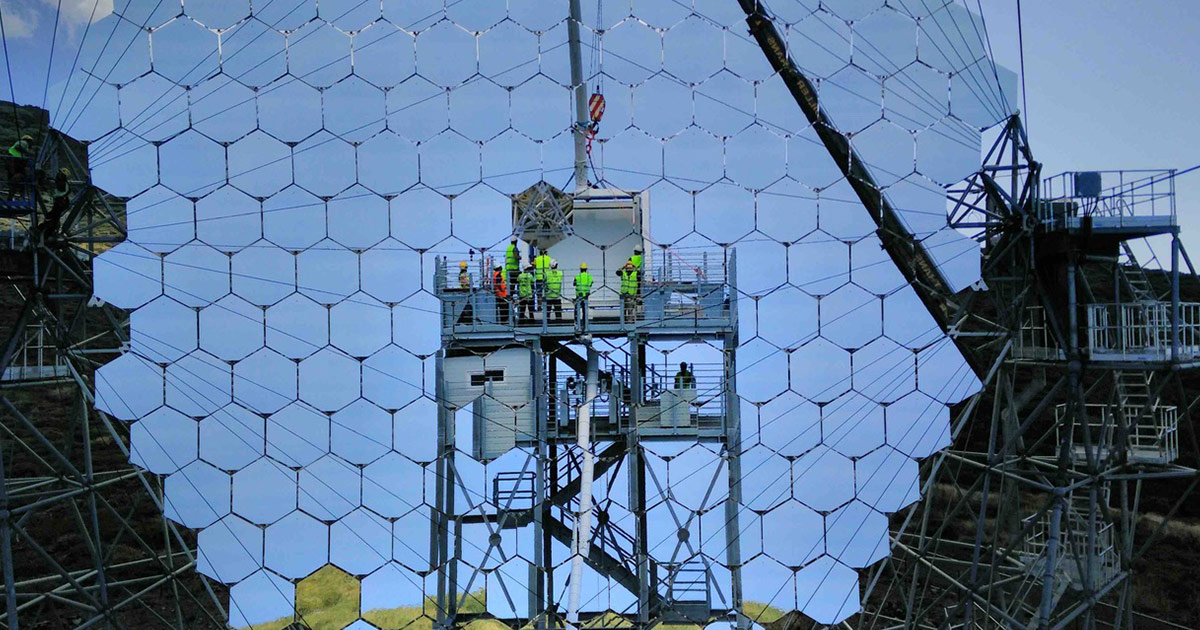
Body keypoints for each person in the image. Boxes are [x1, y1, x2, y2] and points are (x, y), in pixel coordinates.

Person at [41, 167, 70, 241]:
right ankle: (48, 230)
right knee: (53, 217)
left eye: (60, 174)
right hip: (61, 202)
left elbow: (58, 186)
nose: (58, 175)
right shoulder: (63, 183)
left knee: (53, 217)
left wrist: (48, 182)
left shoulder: (62, 184)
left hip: (61, 203)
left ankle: (48, 232)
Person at [6, 135, 33, 201]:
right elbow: (18, 147)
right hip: (15, 161)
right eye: (31, 142)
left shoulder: (22, 144)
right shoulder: (24, 142)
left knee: (15, 180)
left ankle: (12, 197)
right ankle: (21, 196)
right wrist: (28, 153)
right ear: (28, 141)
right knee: (21, 177)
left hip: (12, 161)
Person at [573, 262, 593, 329]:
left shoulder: (577, 276)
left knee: (577, 310)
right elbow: (590, 284)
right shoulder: (589, 277)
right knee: (585, 311)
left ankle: (576, 322)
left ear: (580, 269)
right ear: (586, 269)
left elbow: (574, 284)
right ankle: (584, 323)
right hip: (586, 296)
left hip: (578, 296)